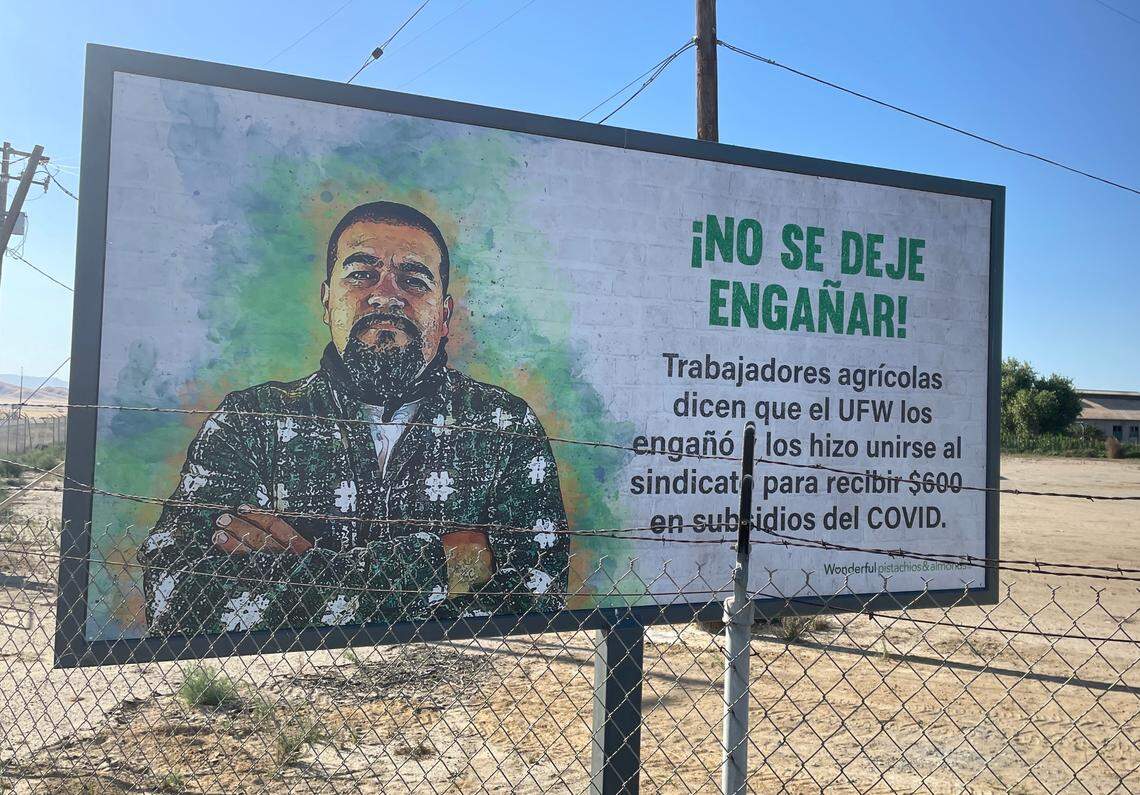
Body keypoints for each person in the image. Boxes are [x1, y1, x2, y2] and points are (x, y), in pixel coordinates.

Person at [137, 201, 569, 635]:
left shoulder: (503, 426)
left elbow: (537, 594)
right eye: (361, 274)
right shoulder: (250, 422)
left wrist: (300, 576)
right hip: (291, 690)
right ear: (328, 301)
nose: (385, 294)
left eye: (413, 280)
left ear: (444, 316)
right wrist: (442, 564)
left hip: (458, 689)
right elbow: (175, 598)